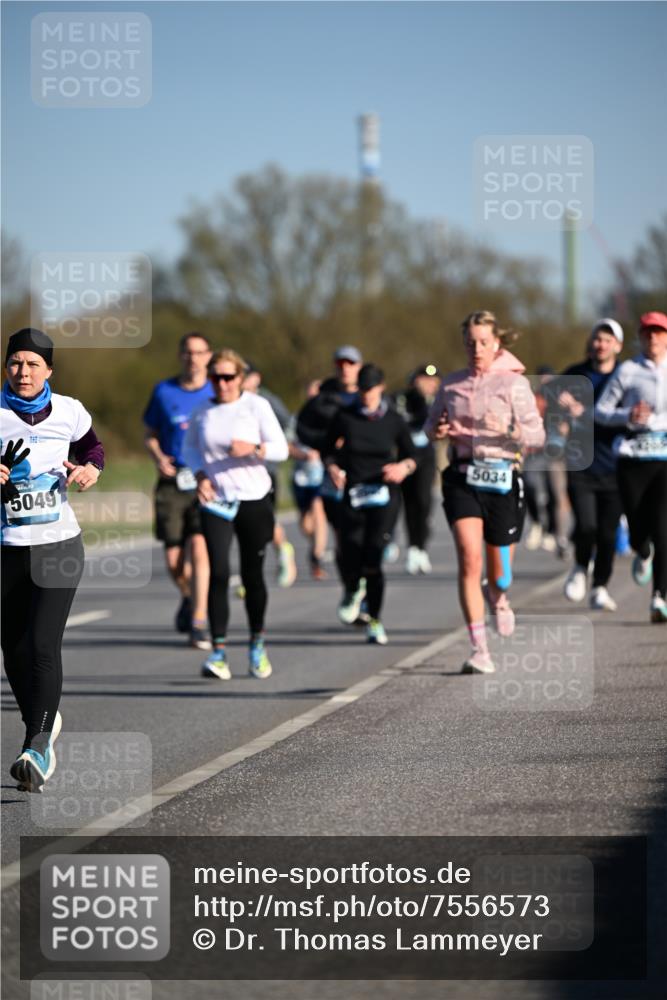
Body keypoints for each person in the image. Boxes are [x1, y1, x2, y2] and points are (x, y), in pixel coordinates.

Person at [1, 328, 104, 792]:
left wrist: (90, 470)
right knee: (14, 650)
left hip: (58, 544)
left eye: (32, 364)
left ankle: (37, 746)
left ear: (49, 371)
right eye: (15, 363)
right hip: (6, 547)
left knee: (42, 645)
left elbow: (93, 448)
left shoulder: (69, 410)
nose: (22, 372)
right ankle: (43, 722)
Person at [425, 310, 545, 674]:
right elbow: (429, 428)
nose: (476, 349)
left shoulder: (514, 384)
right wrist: (440, 431)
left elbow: (538, 435)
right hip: (462, 477)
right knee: (468, 557)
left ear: (496, 343)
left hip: (502, 478)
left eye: (483, 342)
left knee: (500, 573)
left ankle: (500, 597)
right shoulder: (451, 385)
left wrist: (511, 432)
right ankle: (480, 649)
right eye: (470, 343)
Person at [183, 349, 289, 679]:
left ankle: (257, 644)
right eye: (216, 377)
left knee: (252, 575)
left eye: (228, 377)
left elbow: (282, 449)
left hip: (254, 499)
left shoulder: (256, 406)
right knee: (217, 572)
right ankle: (218, 653)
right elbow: (189, 449)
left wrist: (254, 449)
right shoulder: (203, 410)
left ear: (240, 378)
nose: (222, 384)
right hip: (216, 501)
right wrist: (200, 475)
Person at [323, 363, 417, 645]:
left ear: (381, 388)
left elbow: (414, 455)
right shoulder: (345, 417)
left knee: (374, 556)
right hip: (353, 491)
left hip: (384, 494)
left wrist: (403, 467)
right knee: (349, 550)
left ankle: (374, 620)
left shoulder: (394, 419)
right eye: (361, 390)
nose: (366, 395)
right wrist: (332, 467)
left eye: (371, 390)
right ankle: (353, 588)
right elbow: (328, 450)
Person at [595, 311, 667, 623]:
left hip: (664, 457)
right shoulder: (628, 370)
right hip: (632, 456)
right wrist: (628, 416)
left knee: (664, 528)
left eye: (659, 332)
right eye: (648, 333)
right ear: (639, 337)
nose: (653, 338)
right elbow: (600, 411)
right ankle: (642, 549)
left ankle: (660, 597)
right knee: (639, 528)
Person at [143, 332, 213, 650]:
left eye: (199, 352)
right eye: (187, 352)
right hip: (173, 482)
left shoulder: (218, 390)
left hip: (205, 483)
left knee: (199, 547)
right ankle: (189, 596)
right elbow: (150, 434)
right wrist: (158, 458)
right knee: (174, 560)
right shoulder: (164, 391)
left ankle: (199, 621)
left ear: (208, 356)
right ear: (180, 355)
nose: (192, 358)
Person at [297, 345, 368, 621]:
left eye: (350, 363)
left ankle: (365, 597)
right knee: (343, 539)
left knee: (365, 539)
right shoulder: (323, 398)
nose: (345, 368)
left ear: (359, 366)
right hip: (333, 476)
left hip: (364, 475)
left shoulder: (369, 393)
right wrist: (325, 444)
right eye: (340, 363)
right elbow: (302, 428)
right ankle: (352, 588)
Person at [560, 319, 624, 610]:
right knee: (586, 526)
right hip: (581, 463)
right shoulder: (574, 375)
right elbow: (551, 410)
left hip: (617, 465)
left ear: (618, 346)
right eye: (597, 339)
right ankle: (579, 567)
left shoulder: (627, 375)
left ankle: (600, 586)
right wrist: (561, 418)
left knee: (608, 533)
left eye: (607, 340)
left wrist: (582, 412)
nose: (601, 344)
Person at [242, 363, 297, 587]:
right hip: (236, 476)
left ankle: (283, 548)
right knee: (242, 530)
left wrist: (272, 444)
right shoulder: (229, 402)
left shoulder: (267, 400)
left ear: (256, 377)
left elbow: (290, 425)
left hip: (266, 473)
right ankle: (250, 580)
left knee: (265, 523)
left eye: (247, 375)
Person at [393, 364, 440, 574]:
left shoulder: (438, 401)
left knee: (424, 502)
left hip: (426, 458)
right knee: (409, 503)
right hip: (405, 457)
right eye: (424, 379)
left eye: (433, 380)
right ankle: (413, 547)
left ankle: (421, 547)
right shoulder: (404, 400)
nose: (429, 384)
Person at [290, 380, 329, 579]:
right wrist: (303, 455)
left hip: (322, 476)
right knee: (306, 523)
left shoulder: (330, 415)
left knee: (319, 511)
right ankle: (314, 545)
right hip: (301, 476)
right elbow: (286, 445)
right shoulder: (298, 418)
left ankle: (317, 556)